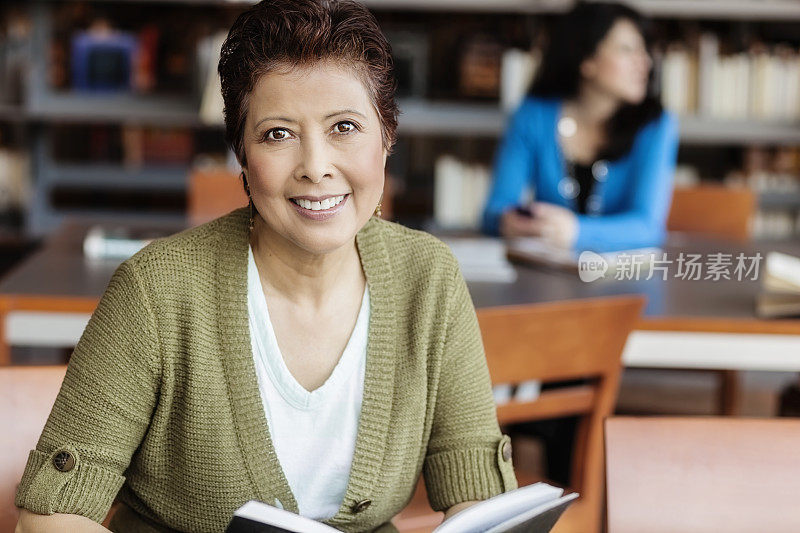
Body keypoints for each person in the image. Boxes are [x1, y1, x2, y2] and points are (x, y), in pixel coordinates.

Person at [14, 1, 516, 531]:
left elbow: (478, 504)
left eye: (345, 126)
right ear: (242, 157)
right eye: (278, 134)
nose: (316, 167)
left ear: (387, 138)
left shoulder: (429, 278)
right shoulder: (157, 290)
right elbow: (50, 518)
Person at [483, 1, 679, 253]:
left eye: (644, 51)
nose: (644, 62)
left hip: (624, 280)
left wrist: (574, 230)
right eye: (627, 49)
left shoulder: (655, 124)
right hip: (546, 277)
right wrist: (508, 221)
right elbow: (494, 209)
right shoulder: (533, 116)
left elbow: (648, 226)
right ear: (586, 60)